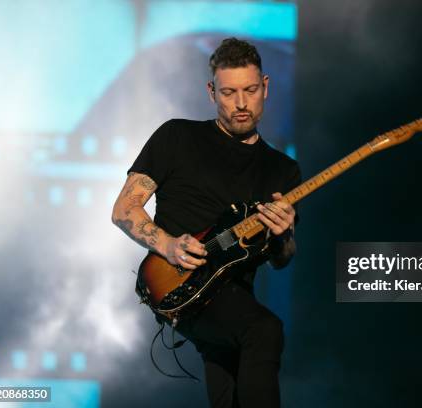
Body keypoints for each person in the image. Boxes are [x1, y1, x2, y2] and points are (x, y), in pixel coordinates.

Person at [111, 37, 301, 408]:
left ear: (266, 87)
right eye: (229, 93)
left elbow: (282, 259)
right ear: (211, 92)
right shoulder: (177, 136)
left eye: (249, 90)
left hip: (234, 296)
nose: (241, 104)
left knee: (229, 392)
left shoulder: (282, 170)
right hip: (181, 285)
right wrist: (169, 245)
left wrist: (283, 235)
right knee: (264, 331)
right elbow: (124, 209)